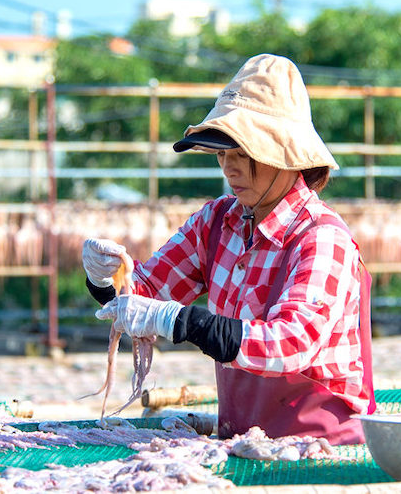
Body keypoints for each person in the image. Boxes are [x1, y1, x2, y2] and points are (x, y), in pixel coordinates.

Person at [82, 53, 375, 444]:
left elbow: (290, 344)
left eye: (242, 154)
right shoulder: (216, 222)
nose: (228, 168)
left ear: (285, 156)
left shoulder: (321, 237)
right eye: (222, 154)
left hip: (322, 444)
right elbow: (144, 294)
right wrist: (105, 277)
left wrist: (185, 322)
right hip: (243, 440)